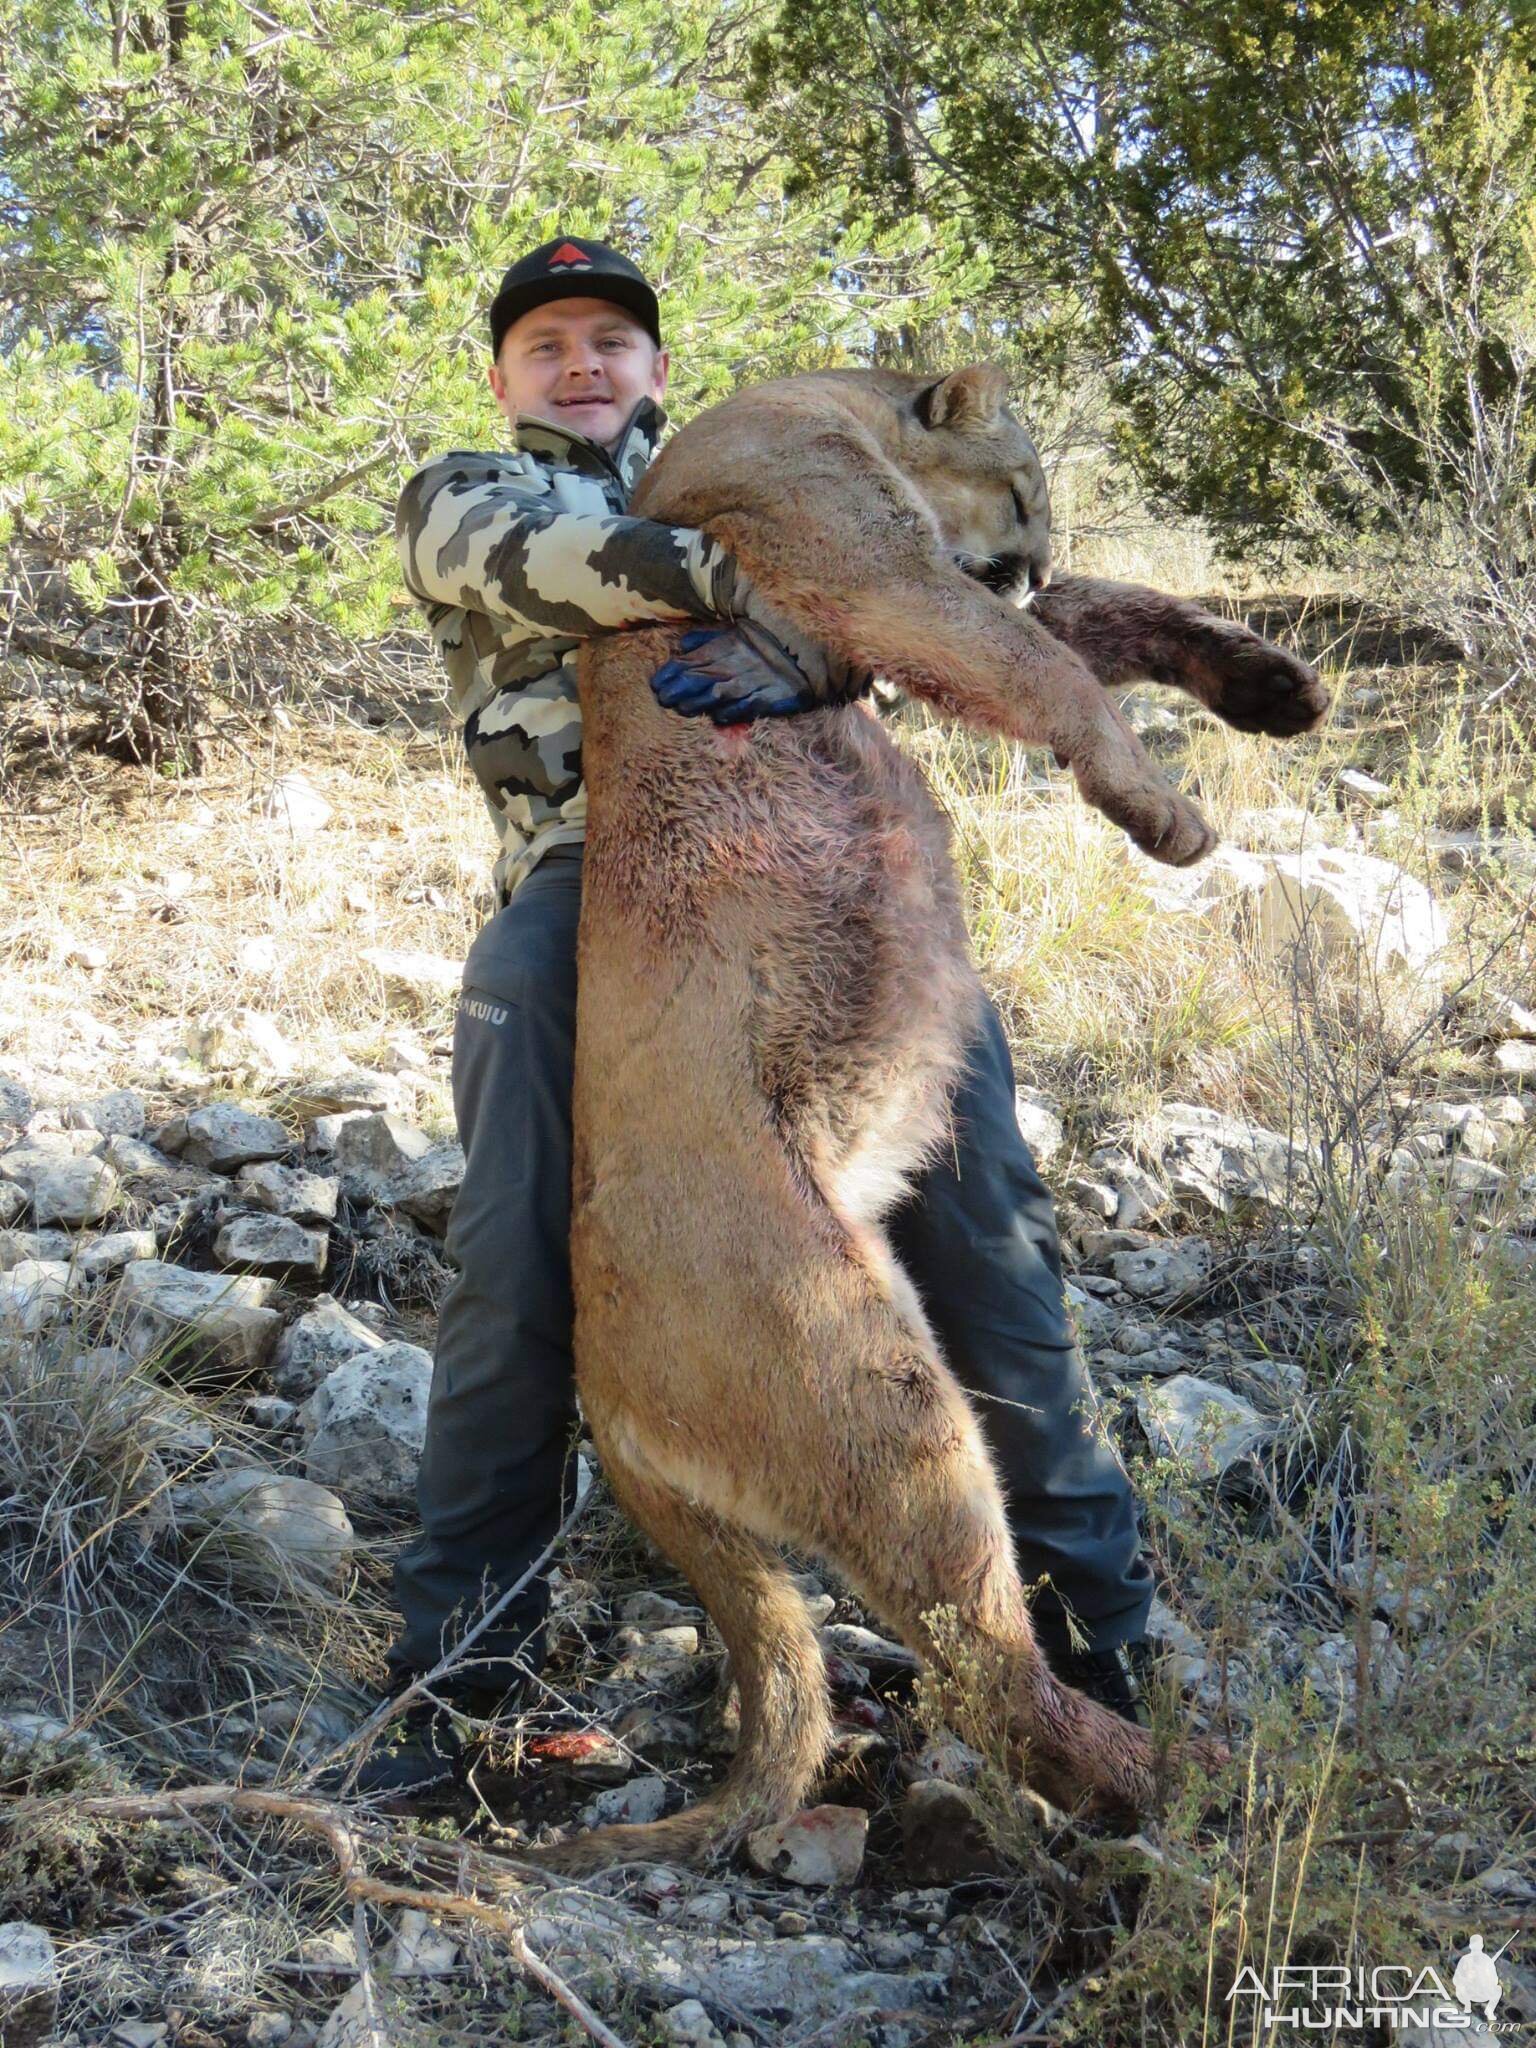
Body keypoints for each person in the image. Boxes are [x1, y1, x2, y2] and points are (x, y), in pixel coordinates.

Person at [361, 233, 1158, 1793]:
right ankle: (458, 1692)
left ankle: (1100, 1647)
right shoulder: (471, 493)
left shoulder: (801, 475)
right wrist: (803, 586)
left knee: (991, 1240)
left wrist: (1106, 637)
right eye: (548, 345)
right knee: (516, 1267)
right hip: (598, 911)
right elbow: (591, 573)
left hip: (832, 902)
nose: (583, 363)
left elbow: (965, 620)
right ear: (505, 378)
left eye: (613, 339)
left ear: (661, 367)